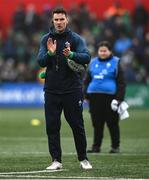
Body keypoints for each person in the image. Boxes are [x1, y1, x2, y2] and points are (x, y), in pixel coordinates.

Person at [37, 7, 92, 170]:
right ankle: (56, 160)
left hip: (72, 90)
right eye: (56, 20)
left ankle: (83, 159)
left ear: (67, 20)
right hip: (52, 90)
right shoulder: (45, 39)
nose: (59, 22)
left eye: (62, 19)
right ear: (52, 21)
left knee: (77, 125)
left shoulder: (76, 39)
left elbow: (87, 56)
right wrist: (50, 54)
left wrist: (72, 55)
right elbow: (40, 61)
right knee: (52, 126)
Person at [84, 41, 126, 153]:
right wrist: (85, 94)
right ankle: (96, 147)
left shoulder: (116, 62)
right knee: (97, 123)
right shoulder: (93, 62)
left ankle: (115, 147)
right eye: (100, 51)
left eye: (105, 51)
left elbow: (121, 82)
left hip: (111, 99)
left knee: (112, 123)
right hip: (94, 98)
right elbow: (87, 80)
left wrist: (119, 99)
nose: (102, 53)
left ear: (110, 51)